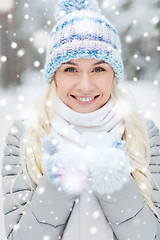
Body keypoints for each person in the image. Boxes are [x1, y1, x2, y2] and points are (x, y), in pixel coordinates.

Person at [2, 0, 160, 239]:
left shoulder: (143, 134)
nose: (85, 86)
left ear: (114, 75)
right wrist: (58, 184)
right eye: (70, 69)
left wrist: (115, 184)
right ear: (54, 76)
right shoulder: (25, 135)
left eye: (98, 69)